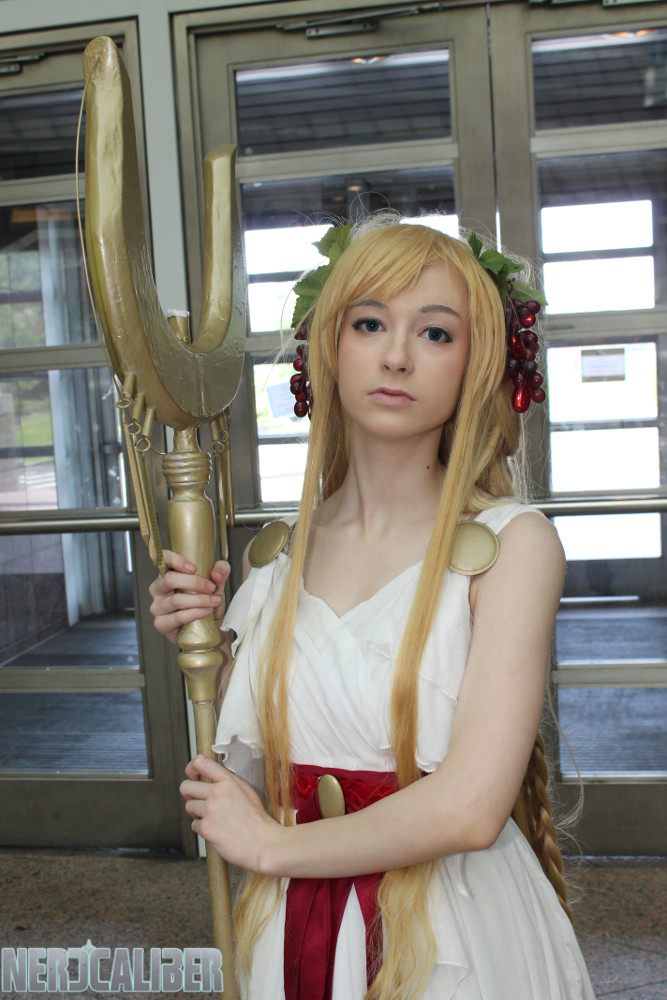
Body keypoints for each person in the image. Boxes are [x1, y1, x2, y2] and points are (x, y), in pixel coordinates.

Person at [149, 218, 596, 1000]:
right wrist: (208, 654)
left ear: (476, 363)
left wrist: (272, 851)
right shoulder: (274, 556)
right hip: (294, 923)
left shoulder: (511, 546)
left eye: (435, 332)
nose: (396, 356)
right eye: (368, 324)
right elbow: (253, 772)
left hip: (453, 932)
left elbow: (470, 809)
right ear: (328, 347)